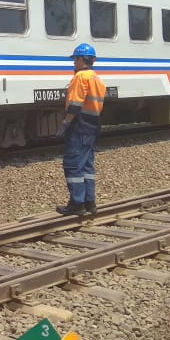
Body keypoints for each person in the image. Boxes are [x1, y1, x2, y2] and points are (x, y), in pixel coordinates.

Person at [56, 43, 107, 216]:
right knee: (86, 165)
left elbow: (75, 105)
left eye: (75, 59)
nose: (73, 63)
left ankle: (77, 203)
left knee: (73, 164)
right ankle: (90, 203)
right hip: (93, 124)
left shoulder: (80, 77)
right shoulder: (97, 79)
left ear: (80, 59)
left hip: (78, 125)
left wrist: (65, 123)